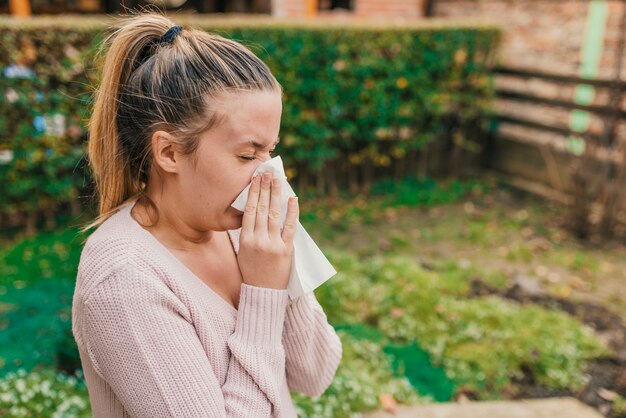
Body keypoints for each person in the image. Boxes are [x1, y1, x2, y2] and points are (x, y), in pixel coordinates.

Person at [71, 11, 342, 417]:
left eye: (269, 152)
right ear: (169, 152)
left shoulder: (235, 230)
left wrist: (285, 267)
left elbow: (316, 374)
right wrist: (263, 293)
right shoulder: (124, 281)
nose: (268, 173)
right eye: (247, 154)